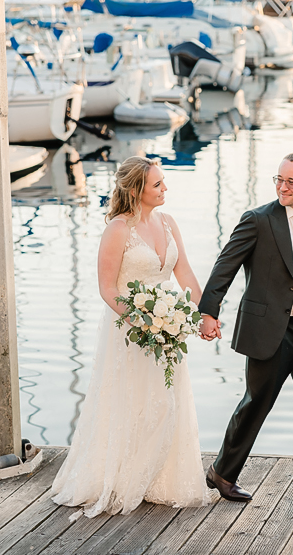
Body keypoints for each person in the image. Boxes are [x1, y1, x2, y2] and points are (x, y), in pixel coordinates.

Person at [50, 156, 211, 517]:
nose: (165, 188)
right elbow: (107, 289)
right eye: (158, 184)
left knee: (167, 400)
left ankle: (162, 479)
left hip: (169, 329)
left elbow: (183, 272)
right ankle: (122, 477)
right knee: (133, 399)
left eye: (163, 182)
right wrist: (144, 320)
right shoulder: (118, 229)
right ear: (137, 190)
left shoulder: (169, 223)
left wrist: (202, 315)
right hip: (129, 330)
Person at [198, 151, 293, 501]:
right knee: (257, 403)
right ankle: (222, 472)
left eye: (291, 181)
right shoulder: (257, 220)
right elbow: (225, 266)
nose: (283, 186)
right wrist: (208, 311)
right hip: (270, 330)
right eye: (279, 179)